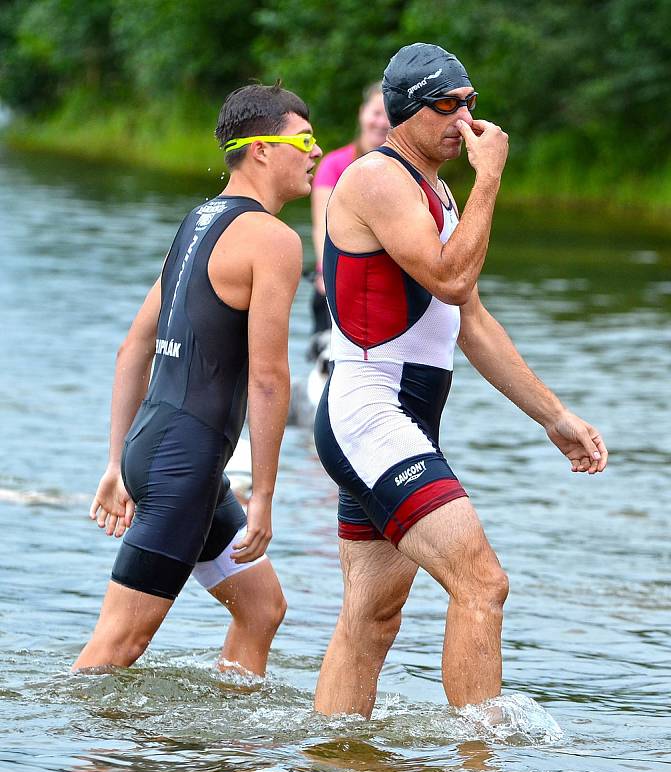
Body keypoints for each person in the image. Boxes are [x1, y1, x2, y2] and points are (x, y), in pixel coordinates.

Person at [313, 43, 608, 717]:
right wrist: (492, 179)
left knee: (372, 618)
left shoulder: (433, 189)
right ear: (402, 112)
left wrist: (553, 417)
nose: (462, 119)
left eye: (468, 102)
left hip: (398, 420)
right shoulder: (378, 178)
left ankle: (335, 770)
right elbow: (451, 277)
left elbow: (468, 319)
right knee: (482, 581)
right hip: (368, 413)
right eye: (444, 106)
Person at [73, 83, 322, 675]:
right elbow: (268, 378)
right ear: (260, 150)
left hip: (165, 453)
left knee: (261, 609)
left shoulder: (197, 221)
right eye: (304, 140)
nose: (316, 152)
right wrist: (262, 497)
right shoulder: (274, 239)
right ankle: (61, 762)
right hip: (185, 465)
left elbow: (132, 347)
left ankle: (230, 758)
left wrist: (117, 463)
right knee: (118, 647)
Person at [310, 82, 390, 334]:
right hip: (336, 283)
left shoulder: (402, 170)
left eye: (389, 115)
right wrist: (327, 273)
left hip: (383, 291)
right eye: (376, 113)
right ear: (362, 112)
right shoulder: (334, 164)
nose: (382, 122)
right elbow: (321, 225)